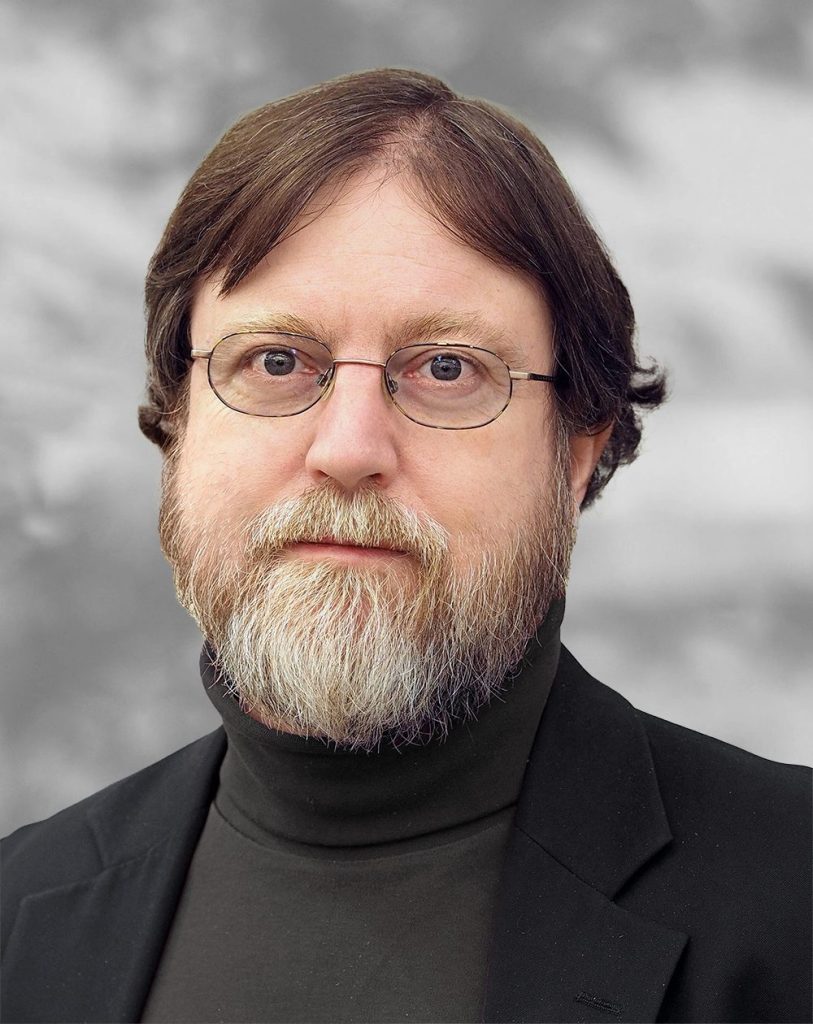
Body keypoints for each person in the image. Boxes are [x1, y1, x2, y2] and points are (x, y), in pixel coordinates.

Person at [1, 68, 809, 1024]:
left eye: (445, 368)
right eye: (273, 361)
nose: (347, 450)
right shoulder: (19, 914)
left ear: (577, 452)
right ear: (175, 426)